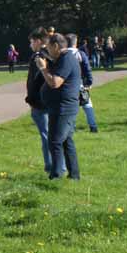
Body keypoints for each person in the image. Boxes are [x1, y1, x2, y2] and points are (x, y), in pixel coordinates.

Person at [38, 33, 81, 180]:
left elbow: (55, 82)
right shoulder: (61, 59)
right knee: (66, 141)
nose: (48, 50)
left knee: (55, 141)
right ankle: (74, 175)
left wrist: (43, 69)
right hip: (59, 106)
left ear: (56, 46)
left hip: (64, 108)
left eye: (49, 47)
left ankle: (56, 176)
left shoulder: (67, 59)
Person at [25, 28, 61, 177]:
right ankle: (58, 165)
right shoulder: (53, 55)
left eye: (32, 42)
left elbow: (36, 82)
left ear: (39, 41)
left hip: (40, 103)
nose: (30, 45)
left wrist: (31, 99)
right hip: (52, 101)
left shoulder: (39, 56)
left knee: (47, 136)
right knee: (55, 136)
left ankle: (51, 166)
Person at [66, 34, 98, 133]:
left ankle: (72, 127)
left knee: (71, 107)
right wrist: (89, 82)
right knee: (87, 105)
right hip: (80, 83)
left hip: (66, 84)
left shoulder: (62, 55)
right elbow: (87, 69)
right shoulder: (81, 54)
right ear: (76, 43)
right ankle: (93, 126)